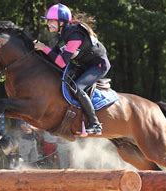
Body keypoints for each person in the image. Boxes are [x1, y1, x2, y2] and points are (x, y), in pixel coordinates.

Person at [34, 3, 111, 135]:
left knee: (78, 87)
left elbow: (61, 62)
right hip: (85, 64)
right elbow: (54, 55)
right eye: (48, 21)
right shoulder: (64, 34)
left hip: (98, 65)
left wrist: (44, 48)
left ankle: (95, 123)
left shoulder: (75, 35)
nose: (48, 24)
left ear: (61, 22)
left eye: (51, 20)